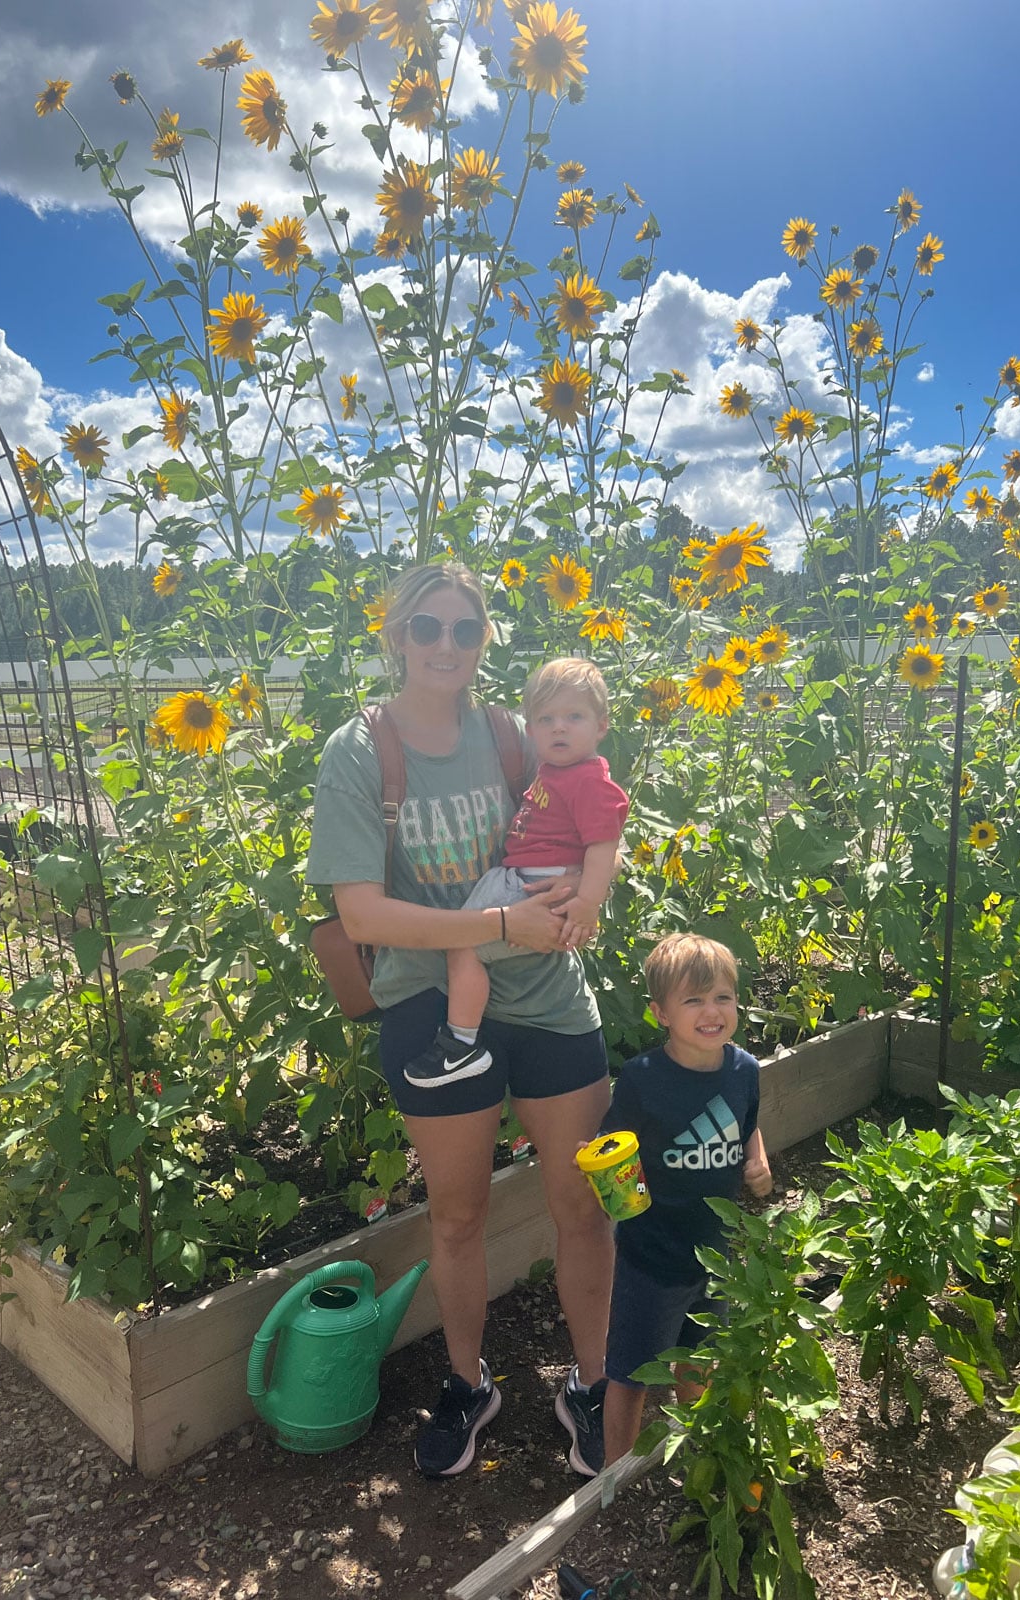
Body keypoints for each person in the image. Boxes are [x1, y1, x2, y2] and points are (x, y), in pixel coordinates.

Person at [306, 562, 615, 1480]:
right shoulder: (359, 752)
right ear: (396, 635)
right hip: (434, 1010)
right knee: (458, 1213)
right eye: (428, 627)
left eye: (465, 629)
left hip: (551, 998)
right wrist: (495, 925)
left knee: (582, 1203)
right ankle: (466, 1380)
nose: (447, 645)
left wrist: (585, 890)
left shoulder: (516, 735)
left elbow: (597, 820)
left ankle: (594, 1385)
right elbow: (361, 914)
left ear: (485, 641)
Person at [590, 932, 773, 1468]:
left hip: (715, 1252)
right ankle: (615, 1473)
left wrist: (756, 1159)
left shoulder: (743, 1070)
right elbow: (612, 1146)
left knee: (701, 1357)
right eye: (693, 1000)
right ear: (660, 1013)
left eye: (723, 997)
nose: (712, 1011)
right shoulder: (644, 1080)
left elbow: (747, 1126)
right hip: (652, 1255)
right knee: (630, 1370)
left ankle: (701, 1447)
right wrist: (601, 1168)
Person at [404, 657, 629, 1089]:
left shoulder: (589, 782)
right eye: (545, 719)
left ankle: (461, 1044)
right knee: (464, 939)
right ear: (530, 728)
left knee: (463, 945)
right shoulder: (557, 770)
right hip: (520, 876)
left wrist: (585, 903)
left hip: (535, 885)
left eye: (573, 717)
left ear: (601, 726)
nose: (558, 728)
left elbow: (604, 846)